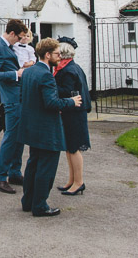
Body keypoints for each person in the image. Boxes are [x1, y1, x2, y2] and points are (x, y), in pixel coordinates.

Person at [18, 38, 82, 217]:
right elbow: (51, 102)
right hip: (46, 128)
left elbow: (25, 98)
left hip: (32, 126)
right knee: (46, 167)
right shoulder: (46, 74)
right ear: (47, 55)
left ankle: (28, 201)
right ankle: (40, 205)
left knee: (33, 164)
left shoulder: (29, 72)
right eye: (56, 54)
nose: (59, 57)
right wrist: (71, 101)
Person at [0, 19, 29, 194]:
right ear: (11, 33)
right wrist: (16, 73)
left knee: (19, 135)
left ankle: (14, 172)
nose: (20, 41)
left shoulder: (7, 47)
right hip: (11, 97)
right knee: (11, 136)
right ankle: (0, 177)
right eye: (19, 37)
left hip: (17, 95)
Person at [54, 37, 91, 196]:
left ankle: (79, 182)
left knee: (74, 148)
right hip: (73, 112)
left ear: (62, 54)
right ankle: (72, 180)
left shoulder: (68, 70)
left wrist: (50, 86)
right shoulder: (72, 67)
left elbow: (67, 91)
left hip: (74, 113)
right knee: (69, 148)